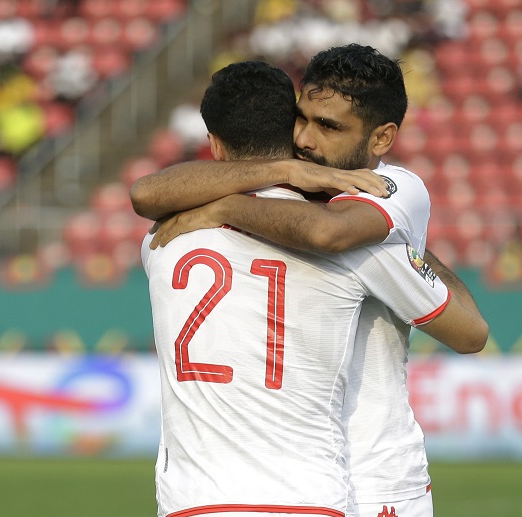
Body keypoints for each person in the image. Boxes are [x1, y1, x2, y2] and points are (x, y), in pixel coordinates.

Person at [132, 45, 488, 517]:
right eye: (302, 119)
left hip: (378, 478)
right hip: (318, 482)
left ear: (382, 138)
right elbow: (146, 192)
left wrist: (223, 207)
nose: (306, 140)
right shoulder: (331, 222)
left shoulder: (388, 193)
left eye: (329, 127)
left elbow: (328, 233)